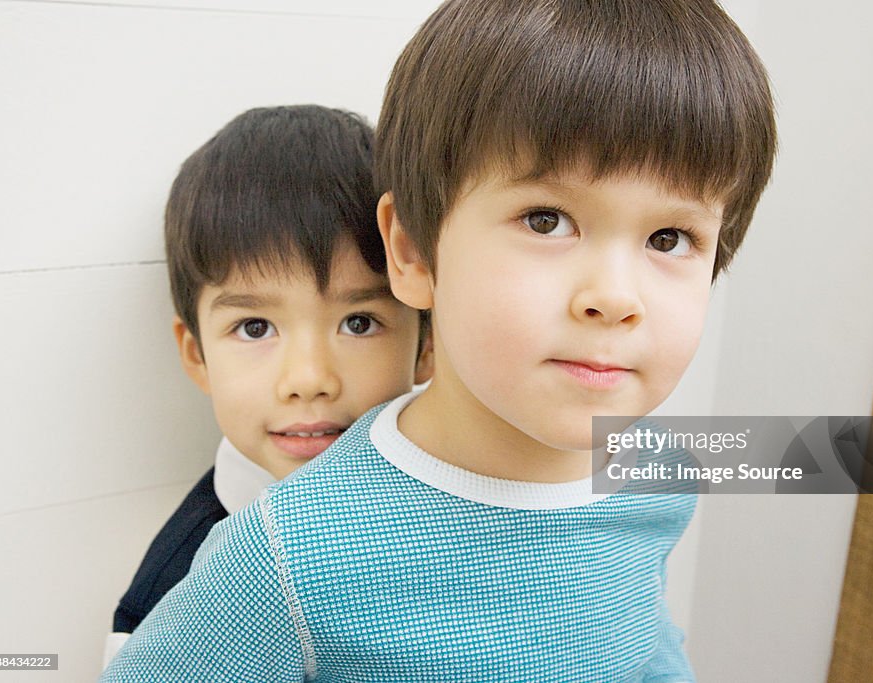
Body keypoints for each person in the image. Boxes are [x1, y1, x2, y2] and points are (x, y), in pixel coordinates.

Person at [102, 0, 776, 680]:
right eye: (546, 220)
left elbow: (643, 642)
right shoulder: (291, 555)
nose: (615, 297)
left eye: (670, 238)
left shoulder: (660, 474)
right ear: (414, 251)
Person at [102, 105, 433, 666]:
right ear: (197, 355)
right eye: (255, 328)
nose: (308, 380)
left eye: (359, 323)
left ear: (428, 344)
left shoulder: (473, 471)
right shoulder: (179, 594)